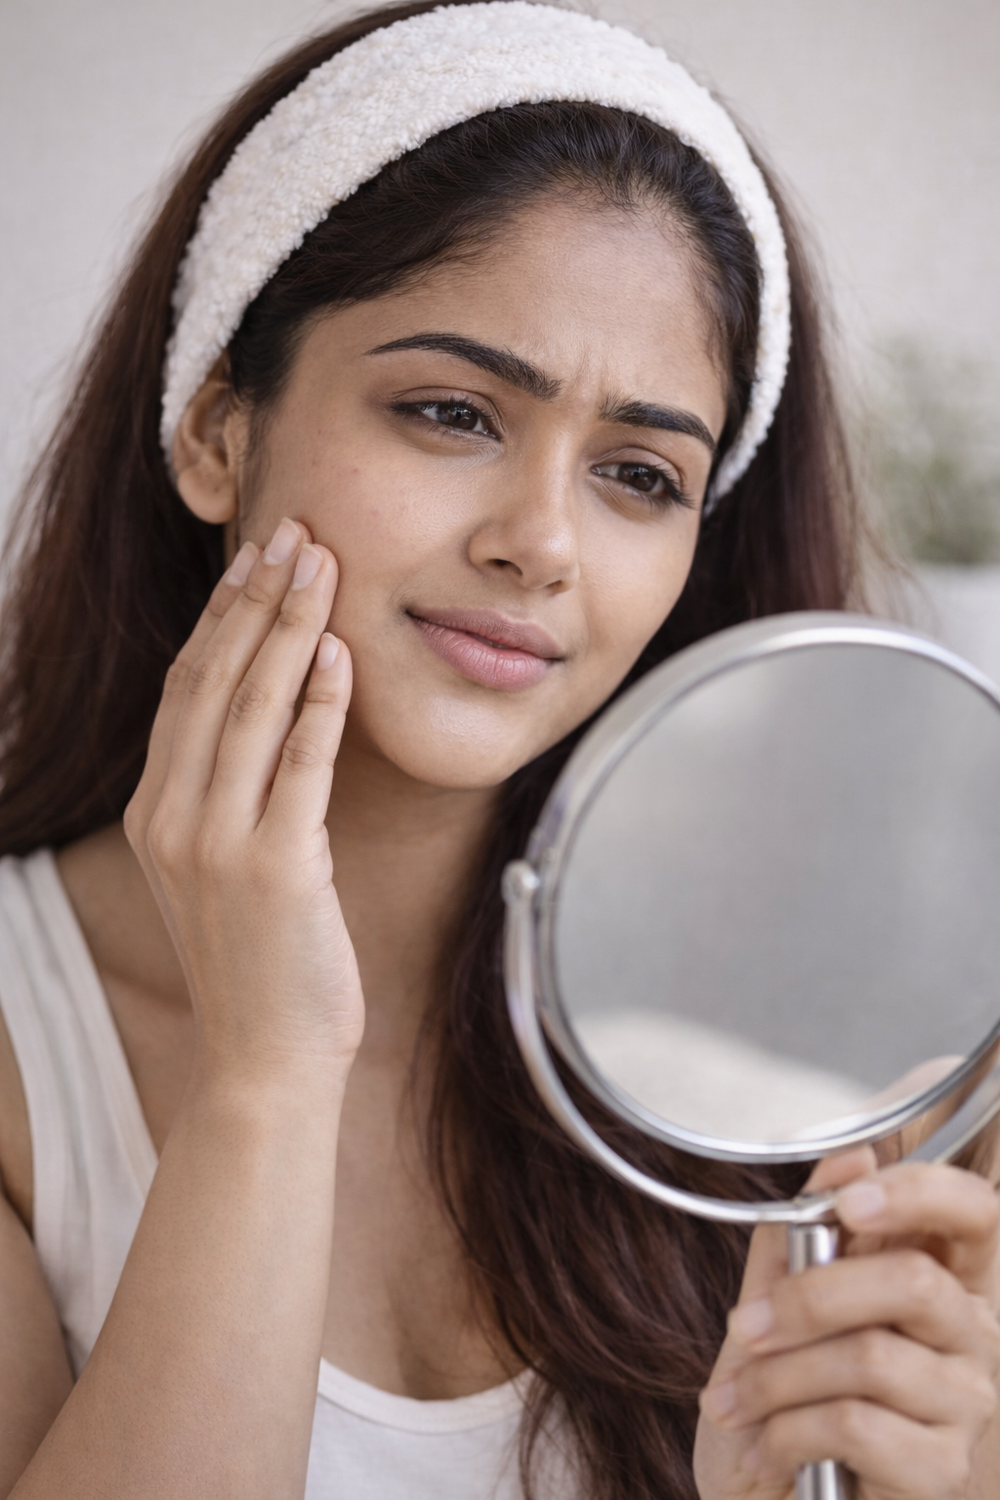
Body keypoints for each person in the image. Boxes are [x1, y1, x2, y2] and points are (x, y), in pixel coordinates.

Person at [0, 2, 996, 1496]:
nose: (541, 544)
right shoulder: (25, 1058)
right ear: (216, 430)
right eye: (451, 411)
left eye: (641, 476)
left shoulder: (832, 1087)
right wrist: (268, 1079)